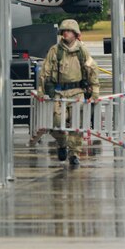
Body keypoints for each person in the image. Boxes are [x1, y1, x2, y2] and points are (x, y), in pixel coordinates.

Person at [37, 19, 99, 167]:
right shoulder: (55, 50)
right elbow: (44, 72)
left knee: (77, 124)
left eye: (69, 31)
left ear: (75, 34)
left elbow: (92, 70)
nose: (66, 33)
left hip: (77, 92)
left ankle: (74, 154)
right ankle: (62, 143)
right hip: (59, 92)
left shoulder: (82, 51)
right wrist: (41, 90)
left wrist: (95, 91)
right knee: (57, 122)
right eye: (64, 30)